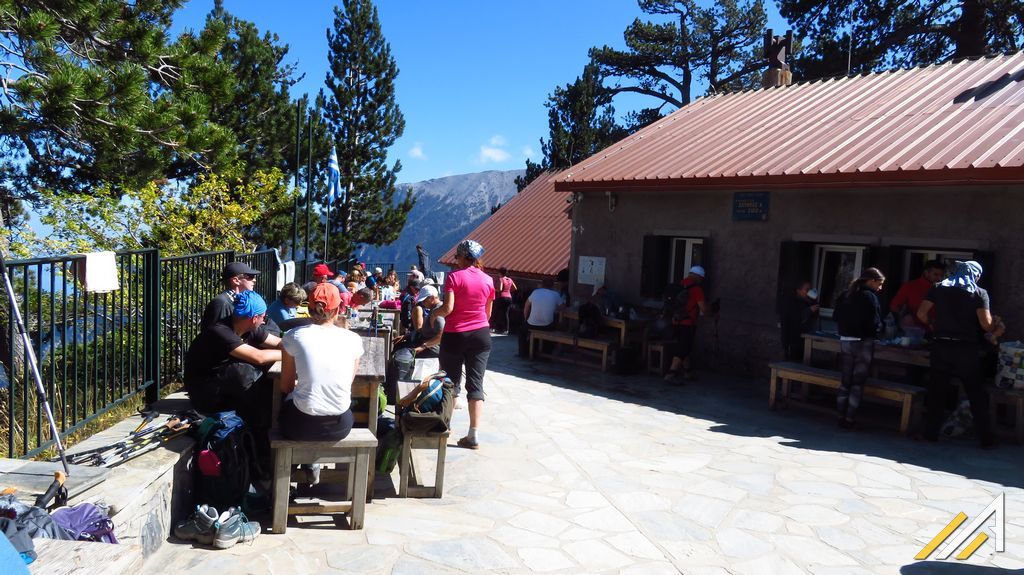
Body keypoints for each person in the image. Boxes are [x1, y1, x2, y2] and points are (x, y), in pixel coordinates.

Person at [916, 261, 1004, 448]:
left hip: (940, 346)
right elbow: (985, 325)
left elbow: (921, 314)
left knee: (937, 391)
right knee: (975, 393)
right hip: (966, 349)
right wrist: (995, 322)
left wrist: (934, 326)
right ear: (975, 275)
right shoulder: (979, 293)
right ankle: (986, 439)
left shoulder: (938, 288)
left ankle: (930, 433)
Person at [184, 290, 281, 431]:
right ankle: (259, 430)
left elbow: (279, 343)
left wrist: (296, 348)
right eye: (263, 316)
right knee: (245, 373)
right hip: (204, 392)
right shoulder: (220, 331)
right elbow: (259, 357)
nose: (264, 320)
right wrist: (291, 354)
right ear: (254, 318)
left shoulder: (249, 328)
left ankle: (261, 426)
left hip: (223, 385)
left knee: (255, 378)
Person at [278, 284, 363, 441]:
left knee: (287, 403)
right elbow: (346, 382)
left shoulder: (293, 336)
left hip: (301, 426)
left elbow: (286, 387)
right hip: (340, 426)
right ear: (338, 310)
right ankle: (312, 463)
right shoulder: (354, 339)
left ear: (308, 308)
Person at [433, 240, 494, 450]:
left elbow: (448, 308)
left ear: (461, 257)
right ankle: (473, 435)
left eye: (457, 258)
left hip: (455, 334)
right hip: (481, 335)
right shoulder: (488, 280)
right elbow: (488, 314)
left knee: (450, 382)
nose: (455, 261)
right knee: (476, 385)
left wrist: (434, 313)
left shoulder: (454, 277)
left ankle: (445, 428)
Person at [833, 267, 885, 430]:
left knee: (845, 381)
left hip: (846, 341)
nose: (880, 288)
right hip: (863, 343)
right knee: (857, 383)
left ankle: (840, 416)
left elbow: (835, 316)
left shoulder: (845, 294)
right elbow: (874, 323)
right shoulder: (870, 297)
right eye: (880, 284)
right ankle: (850, 419)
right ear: (871, 281)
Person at [664, 266, 707, 384]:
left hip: (675, 322)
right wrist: (711, 313)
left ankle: (688, 372)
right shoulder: (697, 289)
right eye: (701, 279)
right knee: (683, 349)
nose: (701, 281)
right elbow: (703, 309)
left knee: (684, 347)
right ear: (698, 277)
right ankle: (670, 375)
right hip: (688, 323)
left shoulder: (680, 285)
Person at [200, 261, 260, 328]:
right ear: (236, 280)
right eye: (250, 276)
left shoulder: (239, 299)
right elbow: (219, 334)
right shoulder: (222, 303)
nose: (254, 280)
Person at [891, 260, 946, 331]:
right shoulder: (910, 286)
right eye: (935, 274)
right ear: (926, 273)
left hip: (938, 331)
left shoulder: (944, 289)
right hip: (915, 331)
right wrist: (903, 318)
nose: (939, 278)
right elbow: (895, 306)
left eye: (941, 275)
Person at [518, 277, 563, 357]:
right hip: (547, 326)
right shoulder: (556, 294)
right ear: (553, 286)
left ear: (542, 284)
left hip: (532, 324)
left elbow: (526, 305)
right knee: (557, 327)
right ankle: (546, 353)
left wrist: (525, 318)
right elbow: (563, 307)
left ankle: (522, 353)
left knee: (521, 331)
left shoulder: (535, 292)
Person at [779, 280, 820, 361]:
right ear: (798, 290)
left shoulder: (807, 301)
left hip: (804, 339)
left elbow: (815, 317)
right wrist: (808, 310)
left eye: (810, 290)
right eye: (807, 290)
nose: (809, 292)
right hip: (792, 340)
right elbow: (794, 319)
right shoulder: (791, 301)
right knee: (791, 362)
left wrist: (814, 300)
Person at [492, 268, 517, 334]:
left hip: (501, 297)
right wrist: (508, 291)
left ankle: (494, 328)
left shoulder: (501, 279)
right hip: (509, 298)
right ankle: (506, 330)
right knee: (505, 314)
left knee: (496, 312)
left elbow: (500, 289)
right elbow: (515, 288)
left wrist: (493, 289)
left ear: (500, 273)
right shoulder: (510, 279)